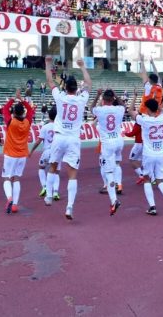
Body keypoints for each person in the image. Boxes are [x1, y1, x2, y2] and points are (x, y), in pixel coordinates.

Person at [44, 56, 91, 221]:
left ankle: (49, 196)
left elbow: (50, 81)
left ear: (65, 87)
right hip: (73, 139)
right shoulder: (81, 99)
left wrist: (47, 64)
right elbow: (89, 84)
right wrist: (82, 66)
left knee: (53, 166)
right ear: (76, 88)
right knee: (72, 174)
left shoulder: (60, 97)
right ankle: (69, 206)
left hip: (59, 137)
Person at [136, 99, 163, 217]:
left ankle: (152, 207)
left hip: (148, 154)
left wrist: (134, 97)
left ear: (148, 108)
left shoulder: (144, 120)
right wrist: (161, 107)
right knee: (161, 180)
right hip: (161, 154)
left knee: (147, 179)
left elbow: (130, 111)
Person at [92, 89, 126, 215]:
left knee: (109, 172)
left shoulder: (100, 110)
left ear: (103, 99)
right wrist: (116, 95)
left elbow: (91, 107)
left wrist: (97, 95)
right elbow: (123, 105)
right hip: (119, 141)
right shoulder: (119, 109)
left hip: (108, 143)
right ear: (113, 99)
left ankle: (114, 200)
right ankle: (119, 184)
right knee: (117, 164)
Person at [1, 90, 35, 214]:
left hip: (10, 154)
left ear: (14, 112)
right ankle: (15, 205)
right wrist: (21, 99)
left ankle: (9, 198)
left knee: (7, 178)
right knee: (16, 179)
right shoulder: (27, 122)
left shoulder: (11, 122)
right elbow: (30, 111)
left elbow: (5, 109)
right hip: (22, 155)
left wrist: (13, 99)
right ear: (23, 112)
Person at [31, 107, 59, 201]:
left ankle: (44, 187)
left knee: (41, 167)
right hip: (56, 152)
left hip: (47, 151)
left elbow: (39, 141)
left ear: (49, 116)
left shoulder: (45, 127)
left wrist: (31, 151)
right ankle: (55, 192)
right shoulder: (60, 127)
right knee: (56, 172)